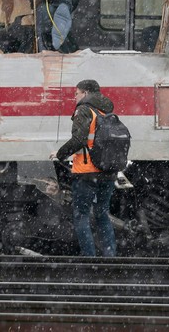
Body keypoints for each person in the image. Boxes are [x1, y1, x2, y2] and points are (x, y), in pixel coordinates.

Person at [51, 79, 117, 257]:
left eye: (77, 93)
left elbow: (79, 140)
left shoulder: (84, 110)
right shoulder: (106, 111)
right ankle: (110, 258)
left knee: (81, 215)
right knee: (102, 214)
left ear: (86, 93)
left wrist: (59, 154)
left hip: (87, 172)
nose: (75, 97)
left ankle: (89, 258)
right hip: (108, 171)